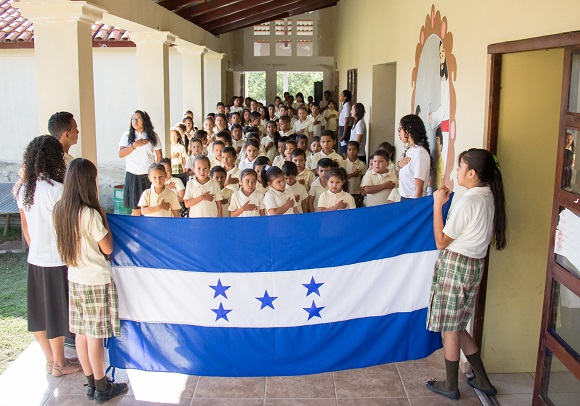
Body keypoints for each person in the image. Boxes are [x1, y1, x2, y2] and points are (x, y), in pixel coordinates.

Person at [426, 148, 507, 400]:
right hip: (473, 266)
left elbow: (441, 241)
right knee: (458, 324)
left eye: (459, 167)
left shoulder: (469, 201)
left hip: (457, 266)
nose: (455, 172)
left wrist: (437, 204)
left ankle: (451, 384)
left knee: (450, 328)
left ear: (472, 173)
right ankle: (481, 379)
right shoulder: (489, 197)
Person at [53, 158, 128, 402]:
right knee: (95, 337)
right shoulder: (89, 214)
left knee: (82, 335)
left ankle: (90, 383)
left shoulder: (60, 209)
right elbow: (107, 248)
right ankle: (103, 387)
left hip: (75, 278)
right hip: (95, 280)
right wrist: (103, 217)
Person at [14, 135, 82, 377]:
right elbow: (70, 225)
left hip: (36, 258)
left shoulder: (25, 189)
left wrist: (36, 248)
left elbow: (25, 225)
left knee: (39, 311)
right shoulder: (57, 190)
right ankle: (60, 364)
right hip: (56, 258)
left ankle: (50, 359)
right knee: (55, 312)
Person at [118, 110, 162, 216]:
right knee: (136, 208)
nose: (135, 121)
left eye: (138, 119)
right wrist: (134, 145)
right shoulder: (127, 135)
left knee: (150, 206)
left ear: (144, 120)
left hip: (148, 175)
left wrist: (158, 174)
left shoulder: (153, 136)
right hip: (133, 174)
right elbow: (121, 154)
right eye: (133, 119)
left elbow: (159, 156)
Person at [397, 114, 432, 199]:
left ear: (408, 129)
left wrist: (415, 209)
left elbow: (418, 189)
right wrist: (399, 165)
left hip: (412, 201)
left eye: (400, 129)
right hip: (404, 198)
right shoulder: (410, 151)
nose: (398, 132)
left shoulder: (420, 153)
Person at [345, 141, 367, 207]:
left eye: (354, 149)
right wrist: (353, 174)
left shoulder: (361, 164)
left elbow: (364, 179)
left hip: (357, 192)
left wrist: (363, 192)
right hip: (345, 191)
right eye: (349, 149)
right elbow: (341, 178)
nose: (352, 151)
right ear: (347, 151)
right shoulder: (343, 163)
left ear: (358, 150)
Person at [338, 89, 352, 158]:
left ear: (345, 97)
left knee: (344, 149)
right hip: (342, 127)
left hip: (345, 128)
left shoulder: (347, 106)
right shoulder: (344, 105)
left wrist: (343, 134)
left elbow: (346, 121)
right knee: (342, 147)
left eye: (341, 95)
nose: (339, 96)